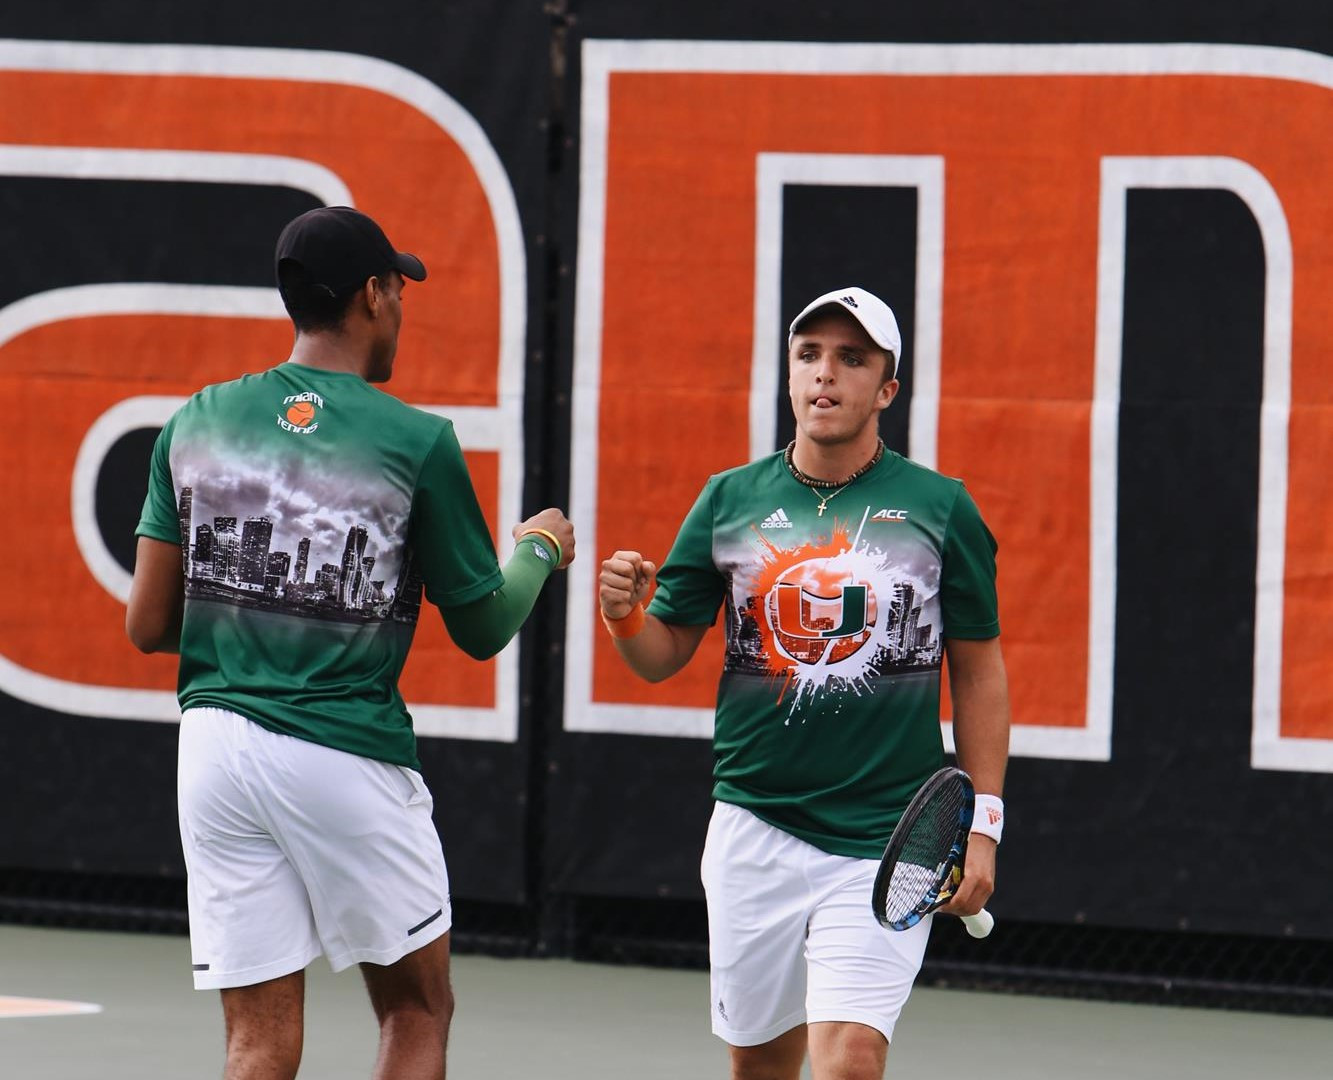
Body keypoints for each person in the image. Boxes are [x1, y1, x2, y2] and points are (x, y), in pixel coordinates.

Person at [126, 205, 573, 1080]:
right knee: (416, 1008)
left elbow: (147, 625)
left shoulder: (196, 419)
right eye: (397, 286)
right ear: (374, 295)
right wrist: (539, 548)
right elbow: (483, 627)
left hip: (213, 754)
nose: (400, 302)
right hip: (344, 751)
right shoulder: (417, 441)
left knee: (256, 1042)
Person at [598, 287, 1010, 1080]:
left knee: (849, 1060)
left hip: (886, 841)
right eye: (809, 355)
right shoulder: (728, 500)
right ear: (788, 377)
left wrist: (981, 823)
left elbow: (980, 668)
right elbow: (662, 652)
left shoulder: (941, 509)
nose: (826, 375)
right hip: (753, 827)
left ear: (886, 389)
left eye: (851, 359)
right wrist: (625, 617)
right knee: (759, 1067)